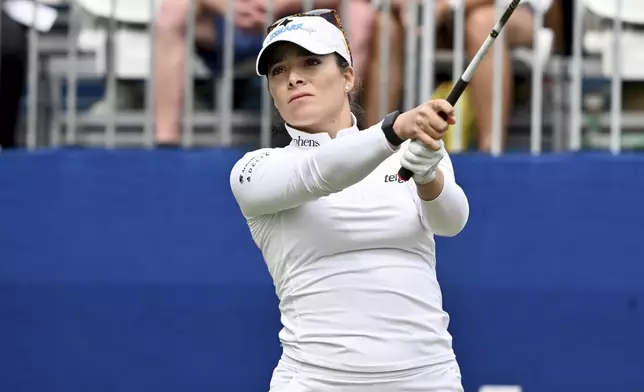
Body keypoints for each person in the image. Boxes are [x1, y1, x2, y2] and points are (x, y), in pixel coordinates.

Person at [229, 9, 469, 391]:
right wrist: (392, 130)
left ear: (348, 77)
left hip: (427, 378)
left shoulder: (411, 147)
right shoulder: (256, 170)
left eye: (310, 62)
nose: (293, 77)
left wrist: (427, 176)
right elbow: (321, 173)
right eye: (278, 71)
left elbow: (450, 223)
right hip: (314, 381)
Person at [153, 0, 375, 145]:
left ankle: (339, 134)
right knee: (173, 9)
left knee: (360, 14)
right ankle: (166, 143)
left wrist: (281, 4)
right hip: (228, 18)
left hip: (301, 18)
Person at [364, 0, 553, 152]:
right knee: (386, 26)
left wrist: (449, 5)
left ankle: (490, 152)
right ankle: (373, 149)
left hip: (512, 11)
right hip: (435, 17)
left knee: (483, 22)